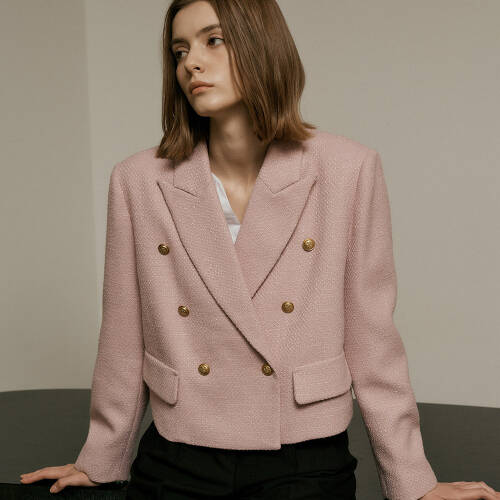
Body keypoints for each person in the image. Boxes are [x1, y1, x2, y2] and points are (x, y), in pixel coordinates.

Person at [20, 1, 499, 499]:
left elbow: (372, 341)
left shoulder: (348, 170)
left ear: (261, 45)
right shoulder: (138, 180)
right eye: (180, 50)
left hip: (305, 459)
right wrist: (101, 456)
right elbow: (123, 332)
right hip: (178, 455)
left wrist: (412, 482)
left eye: (213, 40)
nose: (191, 63)